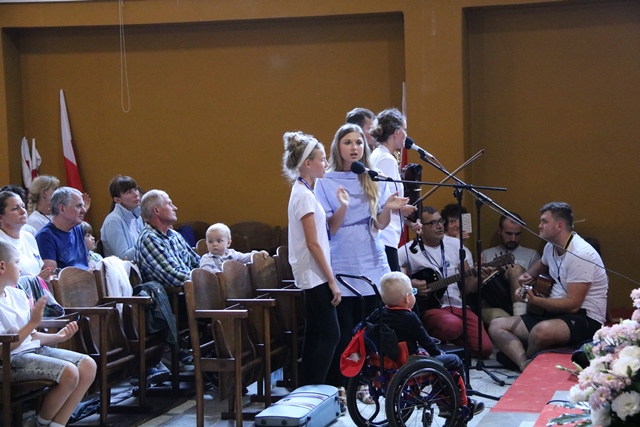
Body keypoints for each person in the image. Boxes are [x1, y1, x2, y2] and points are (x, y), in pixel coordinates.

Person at [315, 122, 410, 388]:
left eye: (358, 142)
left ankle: (367, 382)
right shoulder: (325, 180)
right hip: (342, 255)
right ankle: (344, 384)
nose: (354, 147)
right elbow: (329, 228)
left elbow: (378, 225)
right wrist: (343, 208)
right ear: (338, 147)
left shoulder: (371, 176)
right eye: (347, 142)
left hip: (370, 256)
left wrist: (388, 208)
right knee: (346, 328)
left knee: (369, 325)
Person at [488, 202, 608, 372]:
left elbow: (573, 305)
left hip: (585, 318)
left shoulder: (581, 254)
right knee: (496, 325)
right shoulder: (550, 247)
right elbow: (538, 267)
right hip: (555, 313)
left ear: (559, 226)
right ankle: (524, 364)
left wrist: (535, 300)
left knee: (540, 332)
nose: (539, 226)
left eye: (544, 221)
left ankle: (518, 357)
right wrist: (525, 278)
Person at [0, 241, 97, 427]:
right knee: (69, 373)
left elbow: (31, 336)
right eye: (17, 263)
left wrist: (58, 337)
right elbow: (3, 349)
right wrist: (32, 323)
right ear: (2, 266)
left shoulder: (17, 295)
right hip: (8, 361)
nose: (20, 269)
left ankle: (56, 424)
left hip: (31, 352)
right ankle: (41, 424)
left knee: (88, 366)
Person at [363, 272, 484, 417]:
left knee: (434, 360)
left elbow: (363, 327)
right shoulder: (409, 317)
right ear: (407, 298)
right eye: (413, 292)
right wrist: (436, 352)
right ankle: (458, 402)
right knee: (453, 360)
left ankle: (445, 402)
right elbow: (426, 341)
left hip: (385, 364)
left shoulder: (378, 313)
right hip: (407, 364)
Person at [282, 130, 342, 386]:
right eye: (322, 159)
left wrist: (343, 207)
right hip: (314, 274)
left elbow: (323, 233)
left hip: (314, 272)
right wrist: (331, 280)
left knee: (316, 333)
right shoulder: (304, 196)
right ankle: (315, 389)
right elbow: (313, 243)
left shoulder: (306, 192)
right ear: (308, 163)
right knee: (331, 334)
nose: (326, 163)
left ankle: (307, 387)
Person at [398, 206, 492, 358]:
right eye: (433, 223)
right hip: (431, 308)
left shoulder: (455, 245)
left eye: (441, 221)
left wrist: (480, 276)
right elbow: (391, 277)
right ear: (420, 227)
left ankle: (450, 345)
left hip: (457, 305)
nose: (440, 226)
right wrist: (410, 283)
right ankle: (430, 337)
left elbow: (468, 287)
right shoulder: (407, 250)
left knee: (484, 349)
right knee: (452, 326)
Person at [370, 108, 419, 271]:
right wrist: (403, 208)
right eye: (404, 130)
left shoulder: (378, 155)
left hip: (385, 233)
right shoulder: (386, 160)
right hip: (386, 234)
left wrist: (407, 221)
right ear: (396, 132)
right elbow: (383, 199)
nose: (406, 134)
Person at [480, 213, 541, 323]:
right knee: (499, 321)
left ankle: (520, 319)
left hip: (525, 303)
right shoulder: (486, 254)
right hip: (494, 303)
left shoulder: (532, 255)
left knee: (515, 269)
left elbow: (537, 287)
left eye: (517, 234)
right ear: (499, 231)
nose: (513, 238)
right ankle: (519, 323)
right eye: (508, 233)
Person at [135, 189, 200, 287]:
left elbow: (197, 262)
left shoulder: (174, 235)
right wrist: (207, 280)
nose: (175, 208)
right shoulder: (149, 239)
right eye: (169, 204)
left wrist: (213, 272)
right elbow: (173, 276)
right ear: (157, 210)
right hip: (176, 295)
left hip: (194, 289)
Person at [0, 191, 52, 277]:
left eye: (23, 206)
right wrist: (35, 281)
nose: (23, 211)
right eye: (15, 208)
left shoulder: (29, 237)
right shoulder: (1, 244)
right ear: (1, 217)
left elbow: (39, 270)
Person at [35, 187, 88, 270]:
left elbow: (86, 261)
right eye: (78, 206)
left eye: (83, 206)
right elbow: (51, 274)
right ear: (62, 209)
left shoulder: (78, 228)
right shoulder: (44, 237)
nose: (84, 210)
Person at [100, 175, 144, 260]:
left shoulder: (137, 217)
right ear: (117, 200)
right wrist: (148, 243)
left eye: (135, 189)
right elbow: (122, 257)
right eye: (129, 192)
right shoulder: (113, 221)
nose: (136, 194)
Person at [199, 223, 268, 274]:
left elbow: (245, 257)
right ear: (206, 243)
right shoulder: (207, 258)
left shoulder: (232, 254)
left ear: (228, 243)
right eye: (210, 241)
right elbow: (206, 273)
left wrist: (257, 254)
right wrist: (218, 273)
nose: (214, 244)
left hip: (234, 284)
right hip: (217, 286)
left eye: (219, 241)